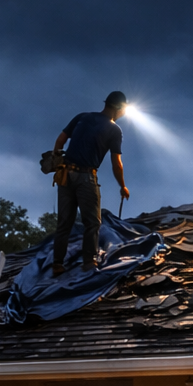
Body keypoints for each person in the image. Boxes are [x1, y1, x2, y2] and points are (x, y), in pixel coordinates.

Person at [50, 91, 130, 277]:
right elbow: (116, 164)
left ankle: (57, 264)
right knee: (92, 222)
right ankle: (88, 263)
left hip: (65, 175)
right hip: (86, 177)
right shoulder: (114, 130)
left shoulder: (82, 117)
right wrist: (122, 186)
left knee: (64, 223)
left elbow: (60, 140)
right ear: (119, 109)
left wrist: (56, 159)